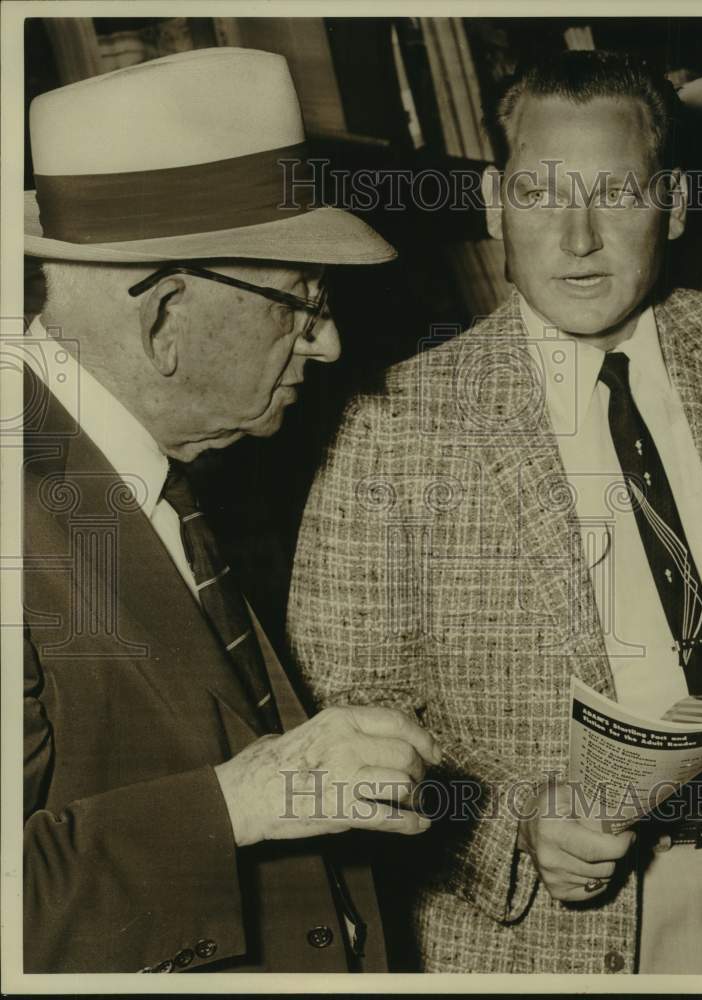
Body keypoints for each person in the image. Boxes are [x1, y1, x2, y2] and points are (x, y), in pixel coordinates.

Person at [287, 50, 702, 974]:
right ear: (493, 203)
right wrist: (514, 823)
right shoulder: (392, 423)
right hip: (551, 936)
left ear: (676, 205)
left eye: (613, 194)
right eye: (539, 195)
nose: (576, 240)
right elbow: (356, 713)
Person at [22, 47, 441, 974]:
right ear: (164, 319)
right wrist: (239, 802)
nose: (326, 344)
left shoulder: (155, 466)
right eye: (301, 301)